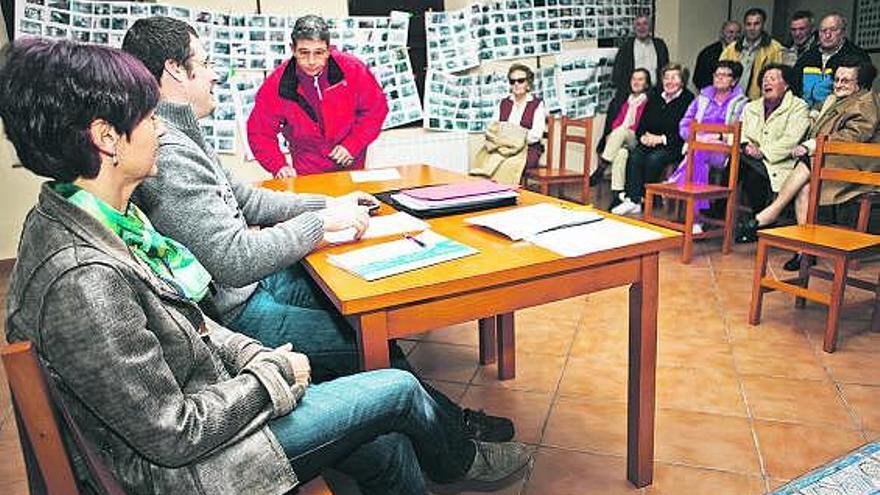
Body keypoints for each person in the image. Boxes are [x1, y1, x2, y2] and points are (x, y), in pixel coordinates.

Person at [0, 37, 530, 495]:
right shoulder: (82, 279)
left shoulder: (103, 220)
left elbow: (196, 323)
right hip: (196, 470)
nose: (160, 128)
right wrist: (272, 375)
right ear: (106, 138)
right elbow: (172, 434)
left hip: (213, 405)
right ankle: (460, 457)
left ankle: (443, 451)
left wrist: (260, 358)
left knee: (386, 444)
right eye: (148, 117)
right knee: (396, 386)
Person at [122, 17, 514, 443]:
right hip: (237, 306)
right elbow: (234, 259)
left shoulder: (184, 131)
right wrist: (320, 220)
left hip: (254, 282)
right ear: (176, 70)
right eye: (207, 61)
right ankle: (452, 437)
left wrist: (332, 205)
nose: (217, 72)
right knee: (364, 340)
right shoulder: (171, 147)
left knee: (358, 306)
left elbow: (249, 200)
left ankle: (443, 423)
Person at [737, 57, 880, 271]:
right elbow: (820, 121)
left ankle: (771, 212)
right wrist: (814, 118)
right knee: (804, 185)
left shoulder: (867, 101)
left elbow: (854, 135)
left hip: (858, 166)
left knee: (808, 159)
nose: (839, 84)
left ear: (860, 85)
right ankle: (804, 251)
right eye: (837, 79)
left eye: (846, 81)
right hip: (830, 160)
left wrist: (812, 145)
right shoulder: (837, 99)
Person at [247, 15, 388, 177]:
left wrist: (353, 144)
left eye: (319, 52)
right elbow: (259, 132)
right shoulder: (277, 84)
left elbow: (375, 110)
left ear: (329, 50)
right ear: (292, 49)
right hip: (307, 169)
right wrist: (278, 165)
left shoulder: (352, 69)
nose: (311, 61)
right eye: (304, 53)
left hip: (351, 164)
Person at [665, 60, 748, 232]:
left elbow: (742, 129)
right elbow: (685, 123)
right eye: (717, 75)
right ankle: (696, 217)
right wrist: (698, 137)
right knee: (699, 155)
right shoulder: (702, 98)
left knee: (697, 153)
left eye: (724, 75)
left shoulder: (742, 103)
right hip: (699, 145)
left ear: (734, 81)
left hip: (723, 149)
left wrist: (717, 136)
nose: (719, 78)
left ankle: (677, 182)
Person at [612, 63, 695, 216]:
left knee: (654, 159)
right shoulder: (656, 97)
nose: (669, 81)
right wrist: (643, 136)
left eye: (674, 77)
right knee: (635, 155)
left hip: (672, 145)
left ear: (682, 81)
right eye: (666, 77)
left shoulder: (688, 99)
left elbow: (686, 130)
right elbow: (642, 123)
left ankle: (647, 198)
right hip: (650, 141)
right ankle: (633, 200)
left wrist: (662, 139)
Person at [737, 64, 811, 213]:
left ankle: (722, 207)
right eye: (764, 79)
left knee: (745, 169)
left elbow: (792, 139)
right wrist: (746, 146)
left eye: (772, 78)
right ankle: (758, 220)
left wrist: (762, 152)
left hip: (780, 162)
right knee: (739, 162)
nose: (766, 82)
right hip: (750, 158)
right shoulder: (750, 107)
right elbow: (741, 131)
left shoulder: (798, 107)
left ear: (786, 85)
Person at [471, 64, 545, 184]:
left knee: (507, 164)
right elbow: (494, 128)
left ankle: (508, 195)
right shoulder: (504, 103)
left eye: (520, 81)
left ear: (528, 84)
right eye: (512, 81)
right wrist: (513, 135)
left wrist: (512, 137)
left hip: (527, 149)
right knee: (484, 159)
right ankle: (488, 194)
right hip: (502, 147)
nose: (516, 84)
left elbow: (535, 135)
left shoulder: (536, 104)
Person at [597, 68, 652, 208]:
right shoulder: (627, 100)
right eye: (634, 79)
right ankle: (618, 195)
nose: (636, 82)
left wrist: (618, 134)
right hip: (622, 138)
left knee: (621, 131)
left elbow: (641, 126)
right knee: (621, 154)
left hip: (637, 138)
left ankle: (602, 166)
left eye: (640, 79)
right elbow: (618, 121)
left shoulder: (648, 101)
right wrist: (613, 135)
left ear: (646, 84)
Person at [793, 12, 870, 110]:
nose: (827, 35)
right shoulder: (807, 57)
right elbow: (794, 87)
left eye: (833, 30)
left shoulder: (857, 55)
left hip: (839, 113)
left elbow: (863, 93)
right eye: (823, 31)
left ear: (843, 32)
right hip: (804, 112)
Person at [720, 8, 784, 100]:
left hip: (760, 102)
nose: (752, 28)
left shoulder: (775, 49)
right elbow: (720, 76)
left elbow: (780, 80)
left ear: (763, 25)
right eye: (748, 24)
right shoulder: (732, 49)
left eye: (756, 24)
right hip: (732, 100)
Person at [611, 13, 669, 96]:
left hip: (655, 93)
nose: (642, 27)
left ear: (650, 27)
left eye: (645, 24)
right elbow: (617, 74)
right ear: (634, 28)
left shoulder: (660, 45)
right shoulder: (626, 47)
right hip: (632, 94)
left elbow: (665, 69)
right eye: (638, 24)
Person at [693, 20, 741, 90]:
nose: (734, 35)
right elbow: (698, 79)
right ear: (722, 33)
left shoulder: (744, 52)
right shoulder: (708, 53)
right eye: (730, 32)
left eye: (738, 32)